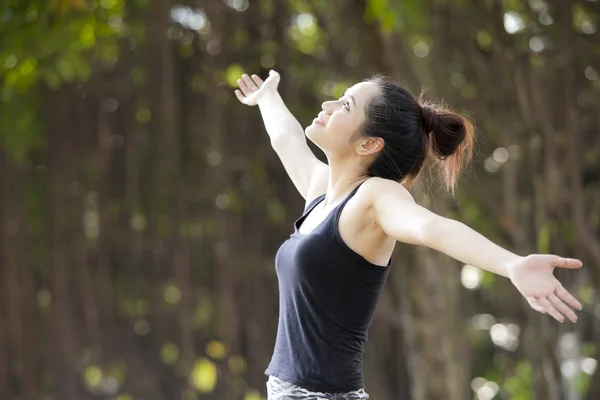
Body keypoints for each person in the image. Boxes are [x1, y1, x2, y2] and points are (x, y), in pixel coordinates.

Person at [234, 70, 583, 400]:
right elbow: (285, 138)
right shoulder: (321, 194)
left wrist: (512, 264)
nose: (328, 105)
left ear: (369, 143)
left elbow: (431, 227)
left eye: (345, 105)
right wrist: (267, 98)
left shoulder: (375, 197)